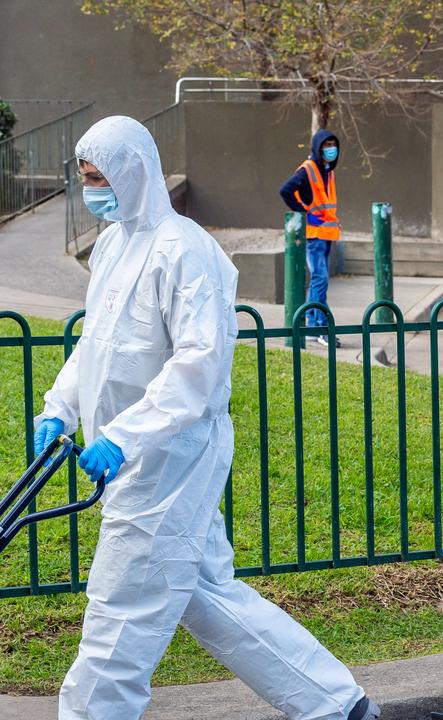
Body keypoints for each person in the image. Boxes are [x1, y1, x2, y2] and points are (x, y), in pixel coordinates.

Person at [34, 116, 379, 720]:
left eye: (99, 178)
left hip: (171, 462)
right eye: (85, 178)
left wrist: (122, 435)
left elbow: (198, 367)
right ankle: (336, 704)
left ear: (133, 172)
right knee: (207, 595)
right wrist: (59, 410)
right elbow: (96, 345)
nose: (92, 190)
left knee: (119, 616)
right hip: (132, 463)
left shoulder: (188, 252)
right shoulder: (114, 244)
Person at [280, 128, 342, 347]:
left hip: (326, 234)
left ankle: (312, 323)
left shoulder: (328, 171)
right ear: (317, 148)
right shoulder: (308, 170)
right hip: (315, 235)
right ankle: (320, 327)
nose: (331, 149)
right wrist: (305, 214)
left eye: (333, 145)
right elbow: (285, 190)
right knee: (320, 278)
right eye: (326, 145)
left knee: (319, 279)